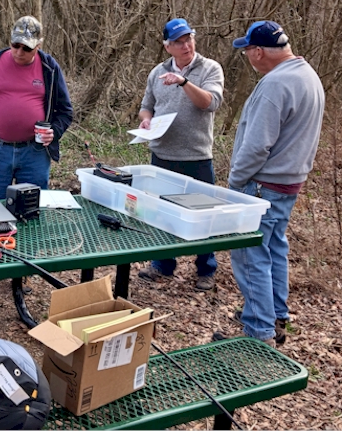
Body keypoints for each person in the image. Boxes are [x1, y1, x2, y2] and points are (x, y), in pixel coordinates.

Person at [219, 20, 324, 346]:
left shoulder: (275, 84)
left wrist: (235, 184)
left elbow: (256, 145)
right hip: (287, 184)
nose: (247, 56)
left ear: (259, 51)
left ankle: (258, 332)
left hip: (263, 185)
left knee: (251, 255)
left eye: (247, 50)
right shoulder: (307, 75)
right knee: (274, 249)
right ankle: (276, 315)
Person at [136, 18, 225, 292]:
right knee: (161, 212)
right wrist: (146, 121)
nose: (186, 45)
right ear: (168, 47)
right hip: (163, 154)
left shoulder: (210, 68)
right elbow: (146, 106)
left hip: (197, 156)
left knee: (203, 215)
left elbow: (210, 103)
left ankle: (205, 269)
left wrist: (184, 81)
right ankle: (162, 264)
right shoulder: (156, 73)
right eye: (179, 41)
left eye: (189, 39)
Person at [0, 15, 73, 200]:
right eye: (15, 45)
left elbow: (65, 111)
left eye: (27, 48)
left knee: (32, 206)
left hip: (35, 152)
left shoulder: (50, 68)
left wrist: (54, 131)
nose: (19, 52)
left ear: (38, 46)